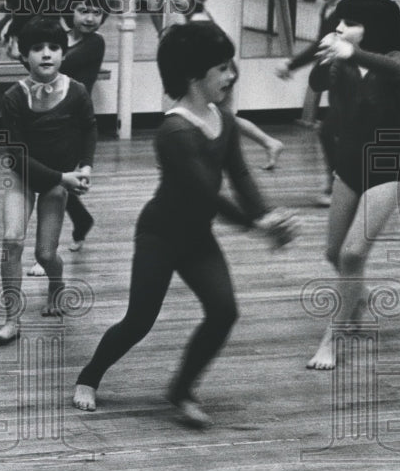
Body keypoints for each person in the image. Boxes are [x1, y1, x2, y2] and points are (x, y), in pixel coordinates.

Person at [72, 21, 297, 427]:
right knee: (139, 320)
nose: (232, 75)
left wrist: (266, 214)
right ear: (195, 76)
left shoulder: (223, 118)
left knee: (224, 311)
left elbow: (240, 175)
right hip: (160, 235)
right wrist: (256, 225)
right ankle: (89, 376)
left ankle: (181, 389)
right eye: (223, 68)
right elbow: (205, 194)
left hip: (196, 238)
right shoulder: (174, 131)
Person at [305, 0, 400, 371]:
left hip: (385, 164)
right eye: (339, 21)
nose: (339, 28)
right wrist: (324, 56)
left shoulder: (395, 61)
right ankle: (358, 296)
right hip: (349, 162)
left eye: (348, 23)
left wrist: (351, 53)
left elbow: (395, 71)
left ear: (372, 28)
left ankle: (330, 339)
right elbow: (316, 82)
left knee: (352, 254)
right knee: (334, 253)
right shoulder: (342, 64)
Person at [0, 16, 97, 346]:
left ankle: (56, 284)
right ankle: (11, 320)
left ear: (63, 54)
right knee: (11, 241)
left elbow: (90, 128)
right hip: (22, 176)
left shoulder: (77, 92)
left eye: (53, 47)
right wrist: (63, 177)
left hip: (56, 181)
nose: (46, 54)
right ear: (24, 56)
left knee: (45, 254)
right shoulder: (13, 96)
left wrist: (86, 166)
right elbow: (17, 154)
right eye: (37, 48)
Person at [27, 0, 107, 277]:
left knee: (51, 187)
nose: (89, 18)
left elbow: (58, 65)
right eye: (83, 10)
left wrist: (39, 48)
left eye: (96, 13)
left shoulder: (94, 42)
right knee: (55, 182)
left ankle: (46, 254)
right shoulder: (61, 41)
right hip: (49, 120)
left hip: (73, 124)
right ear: (70, 11)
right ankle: (82, 220)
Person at [169, 0, 285, 170]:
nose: (175, 0)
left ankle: (264, 144)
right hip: (222, 71)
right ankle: (267, 143)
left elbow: (216, 50)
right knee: (223, 116)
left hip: (221, 73)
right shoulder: (199, 17)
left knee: (219, 116)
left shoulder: (198, 22)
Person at [275, 0, 361, 206]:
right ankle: (344, 184)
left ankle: (339, 186)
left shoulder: (351, 11)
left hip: (353, 81)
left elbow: (333, 46)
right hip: (338, 81)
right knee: (336, 133)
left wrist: (292, 65)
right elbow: (322, 45)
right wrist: (294, 65)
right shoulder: (330, 8)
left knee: (329, 132)